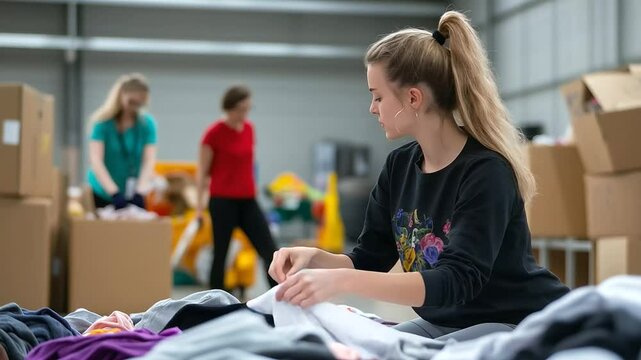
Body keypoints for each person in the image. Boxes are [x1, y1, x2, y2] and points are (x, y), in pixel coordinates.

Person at [268, 11, 570, 341]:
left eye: (378, 96)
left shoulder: (486, 173)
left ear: (413, 98)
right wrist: (319, 260)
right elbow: (370, 257)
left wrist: (340, 282)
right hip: (447, 323)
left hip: (515, 320)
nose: (372, 108)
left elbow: (457, 280)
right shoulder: (398, 167)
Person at [196, 85, 278, 291]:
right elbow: (202, 172)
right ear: (230, 108)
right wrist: (199, 208)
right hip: (222, 201)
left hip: (248, 201)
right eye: (241, 109)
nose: (245, 114)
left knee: (269, 250)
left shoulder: (249, 129)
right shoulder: (213, 133)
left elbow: (250, 163)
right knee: (221, 254)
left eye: (248, 109)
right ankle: (216, 302)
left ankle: (279, 296)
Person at [88, 73, 157, 210]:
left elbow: (149, 160)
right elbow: (96, 160)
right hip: (103, 191)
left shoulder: (147, 124)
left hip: (133, 192)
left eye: (140, 104)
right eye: (131, 102)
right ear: (120, 96)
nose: (135, 107)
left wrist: (140, 191)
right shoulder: (102, 123)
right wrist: (114, 192)